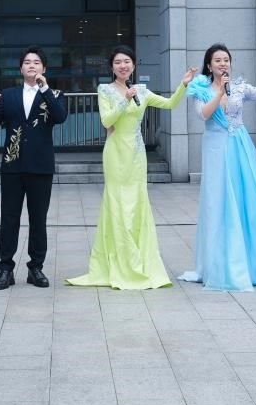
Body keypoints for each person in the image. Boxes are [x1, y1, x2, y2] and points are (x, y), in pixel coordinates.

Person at [67, 46, 197, 290]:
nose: (123, 66)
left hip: (136, 155)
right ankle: (119, 262)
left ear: (134, 65)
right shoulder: (104, 90)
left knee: (136, 203)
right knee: (117, 204)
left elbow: (170, 104)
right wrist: (124, 101)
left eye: (127, 61)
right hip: (115, 153)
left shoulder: (142, 91)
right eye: (118, 62)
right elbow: (106, 120)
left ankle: (138, 260)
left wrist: (184, 84)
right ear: (112, 67)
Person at [180, 45, 256, 291]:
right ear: (209, 65)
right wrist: (219, 92)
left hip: (239, 146)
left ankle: (250, 260)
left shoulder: (240, 87)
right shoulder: (200, 89)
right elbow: (204, 115)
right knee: (217, 201)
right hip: (215, 148)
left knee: (245, 199)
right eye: (218, 60)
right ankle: (219, 263)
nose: (223, 64)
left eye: (226, 60)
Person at [0, 47, 69, 290]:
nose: (32, 65)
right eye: (27, 62)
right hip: (12, 164)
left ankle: (36, 268)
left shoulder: (54, 94)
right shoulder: (8, 95)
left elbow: (60, 117)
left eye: (37, 62)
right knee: (9, 218)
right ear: (20, 68)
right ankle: (6, 269)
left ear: (44, 68)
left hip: (41, 166)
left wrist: (45, 89)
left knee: (38, 218)